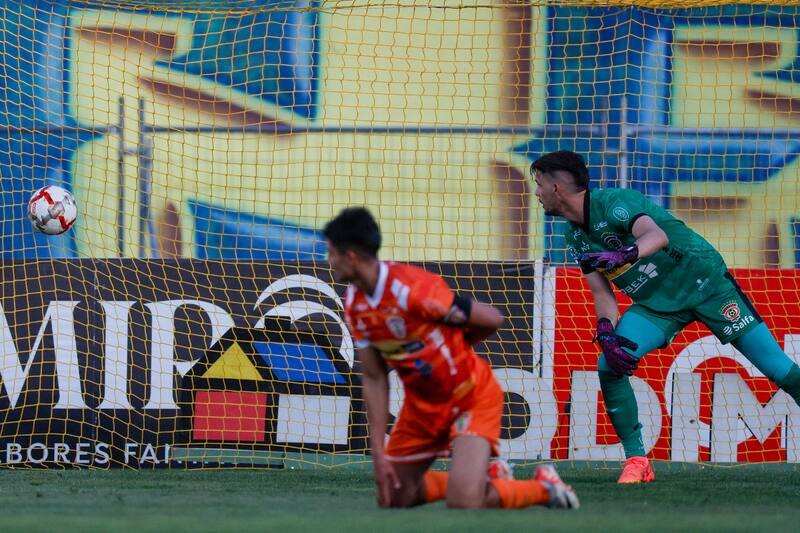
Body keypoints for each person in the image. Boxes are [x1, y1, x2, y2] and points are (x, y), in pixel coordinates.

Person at [531, 150, 800, 483]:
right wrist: (605, 331)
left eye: (539, 184)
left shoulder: (616, 201)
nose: (536, 192)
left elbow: (657, 236)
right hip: (656, 304)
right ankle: (637, 462)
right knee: (609, 366)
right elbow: (603, 294)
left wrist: (625, 253)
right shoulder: (573, 235)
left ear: (557, 187)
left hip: (707, 284)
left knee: (778, 369)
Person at [323, 207, 579, 509]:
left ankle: (543, 488)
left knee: (464, 502)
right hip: (422, 407)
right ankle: (488, 480)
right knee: (392, 495)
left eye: (331, 253)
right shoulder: (355, 302)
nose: (329, 260)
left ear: (350, 256)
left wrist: (458, 345)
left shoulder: (414, 290)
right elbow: (375, 377)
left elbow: (492, 319)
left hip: (468, 397)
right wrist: (377, 451)